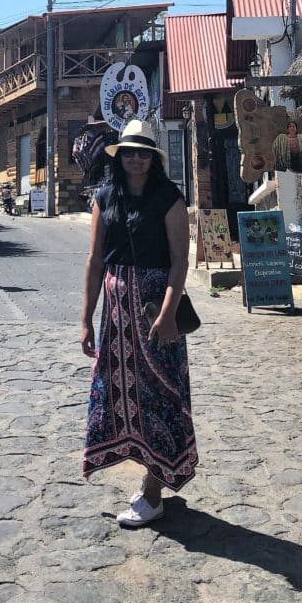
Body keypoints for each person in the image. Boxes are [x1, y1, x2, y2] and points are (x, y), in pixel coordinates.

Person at [80, 119, 197, 528]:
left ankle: (153, 491)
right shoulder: (105, 196)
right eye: (129, 151)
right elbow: (95, 261)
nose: (135, 158)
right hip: (115, 314)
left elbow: (180, 261)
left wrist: (167, 314)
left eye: (143, 152)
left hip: (152, 310)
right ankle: (151, 479)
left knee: (160, 394)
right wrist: (86, 320)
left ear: (153, 158)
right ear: (119, 156)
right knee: (120, 394)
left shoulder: (168, 198)